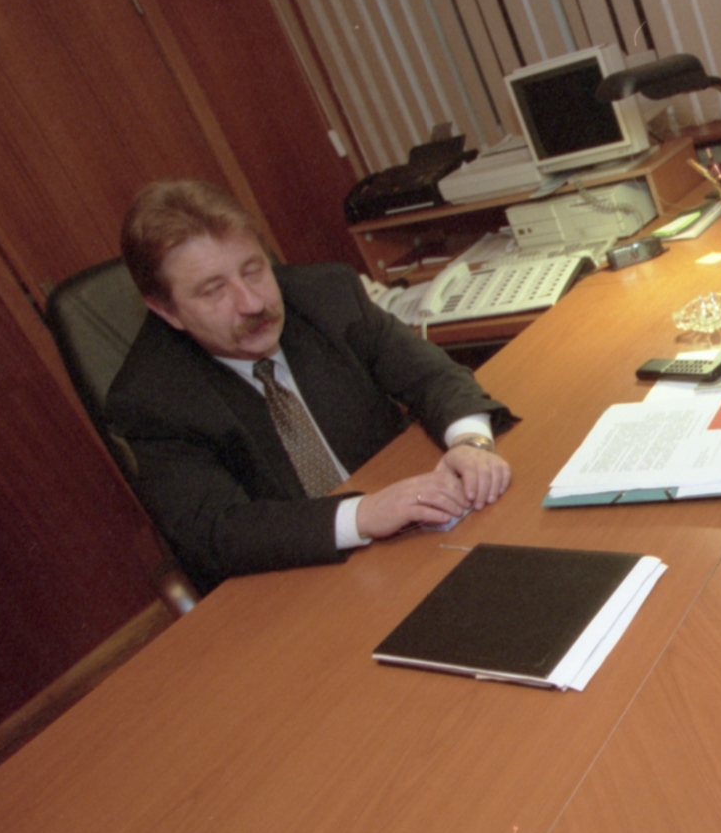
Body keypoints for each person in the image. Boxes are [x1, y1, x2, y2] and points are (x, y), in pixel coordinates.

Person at [108, 179, 516, 594]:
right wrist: (363, 514)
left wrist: (470, 443)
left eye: (253, 270)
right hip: (300, 581)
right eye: (214, 291)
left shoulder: (327, 295)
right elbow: (218, 531)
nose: (252, 303)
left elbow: (431, 375)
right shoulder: (150, 398)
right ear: (167, 311)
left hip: (421, 537)